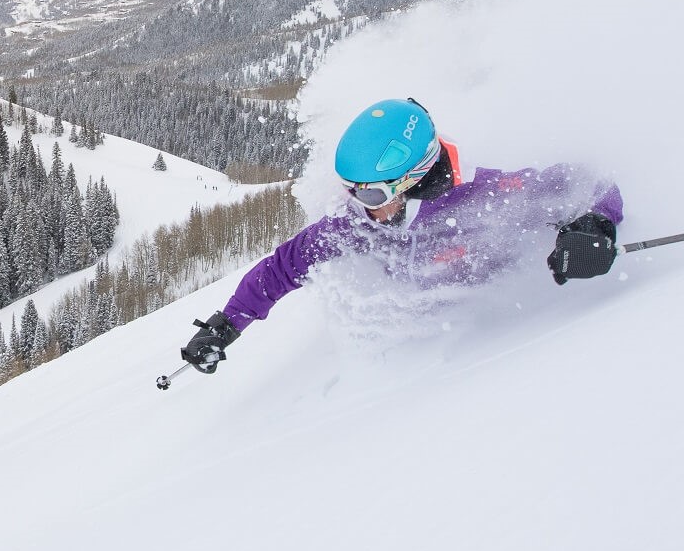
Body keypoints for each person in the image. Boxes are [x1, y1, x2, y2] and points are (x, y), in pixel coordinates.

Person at [182, 98, 623, 373]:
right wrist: (225, 325)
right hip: (428, 360)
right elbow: (282, 268)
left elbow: (592, 181)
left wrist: (594, 225)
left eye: (371, 192)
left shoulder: (488, 196)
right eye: (351, 191)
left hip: (508, 349)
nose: (361, 205)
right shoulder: (357, 224)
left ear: (412, 178)